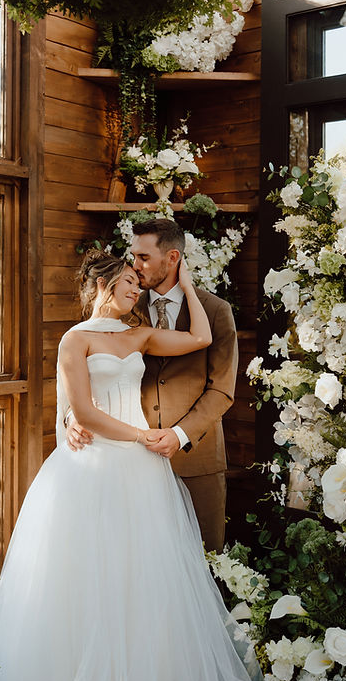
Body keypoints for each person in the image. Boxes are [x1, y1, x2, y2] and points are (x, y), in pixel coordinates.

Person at [0, 250, 269, 681]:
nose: (138, 289)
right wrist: (139, 435)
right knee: (88, 572)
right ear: (101, 286)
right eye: (129, 282)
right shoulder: (75, 341)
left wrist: (188, 284)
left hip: (141, 471)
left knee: (146, 571)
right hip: (93, 465)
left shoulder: (140, 335)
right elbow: (85, 412)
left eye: (138, 282)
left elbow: (201, 337)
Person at [67, 218, 238, 552]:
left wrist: (179, 434)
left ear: (172, 258)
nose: (135, 265)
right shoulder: (123, 307)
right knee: (136, 561)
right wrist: (74, 417)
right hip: (130, 460)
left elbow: (222, 390)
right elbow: (87, 368)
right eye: (133, 256)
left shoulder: (215, 311)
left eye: (143, 258)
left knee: (204, 562)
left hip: (195, 460)